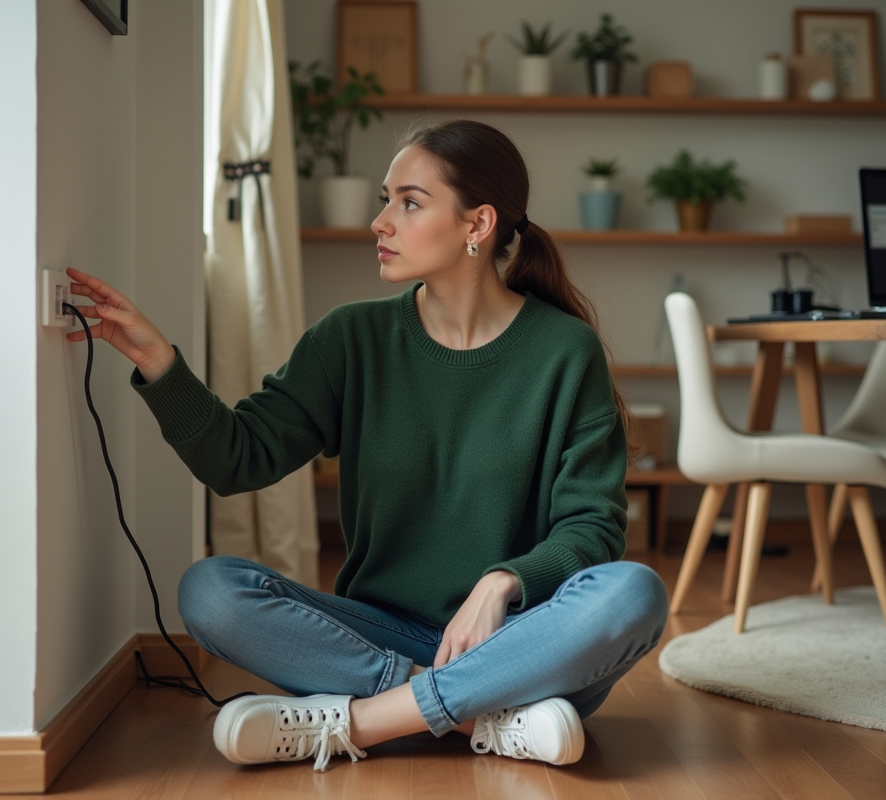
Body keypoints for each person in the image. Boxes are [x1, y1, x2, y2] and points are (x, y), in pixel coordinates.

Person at [66, 119, 668, 772]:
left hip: (519, 639)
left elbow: (593, 525)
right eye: (386, 200)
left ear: (478, 224)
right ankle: (489, 718)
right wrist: (161, 365)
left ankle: (359, 722)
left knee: (633, 593)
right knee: (210, 592)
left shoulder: (563, 352)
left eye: (409, 202)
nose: (380, 222)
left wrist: (502, 583)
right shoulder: (350, 340)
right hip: (382, 636)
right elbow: (236, 459)